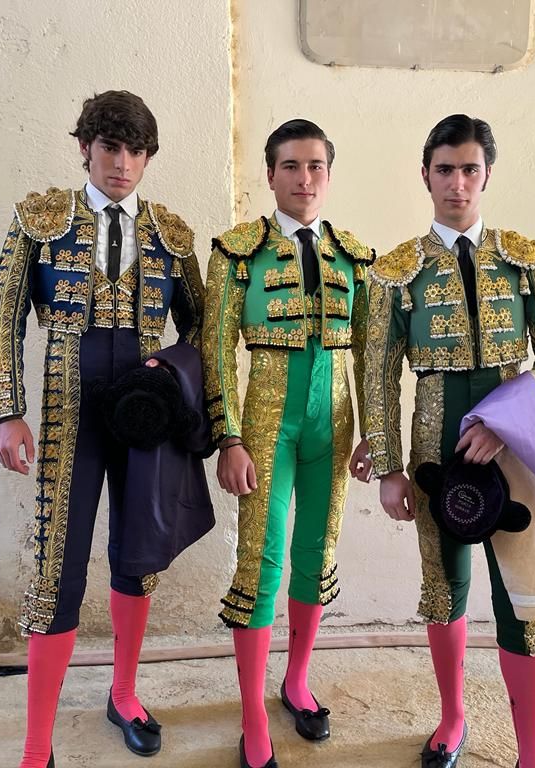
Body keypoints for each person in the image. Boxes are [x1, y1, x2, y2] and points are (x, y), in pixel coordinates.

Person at [0, 90, 213, 767]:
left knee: (137, 554)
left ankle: (124, 693)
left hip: (144, 415)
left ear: (148, 158)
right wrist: (6, 410)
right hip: (65, 409)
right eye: (111, 147)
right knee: (56, 567)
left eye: (136, 151)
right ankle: (36, 745)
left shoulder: (172, 234)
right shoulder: (41, 219)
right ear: (86, 147)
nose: (123, 162)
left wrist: (172, 376)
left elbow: (201, 325)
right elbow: (3, 316)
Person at [364, 114, 535, 768]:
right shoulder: (394, 271)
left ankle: (531, 753)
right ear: (425, 174)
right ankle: (453, 721)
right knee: (444, 586)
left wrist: (506, 420)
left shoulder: (525, 258)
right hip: (435, 437)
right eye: (445, 170)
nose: (457, 183)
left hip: (515, 442)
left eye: (470, 170)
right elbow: (376, 371)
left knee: (524, 594)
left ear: (487, 174)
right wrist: (389, 468)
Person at [202, 119, 373, 768]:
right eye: (292, 167)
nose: (305, 180)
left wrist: (376, 439)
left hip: (334, 426)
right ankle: (252, 715)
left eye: (317, 167)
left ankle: (296, 680)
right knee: (261, 561)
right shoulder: (238, 250)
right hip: (267, 425)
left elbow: (371, 355)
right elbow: (215, 348)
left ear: (329, 174)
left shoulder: (355, 255)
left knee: (316, 550)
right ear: (270, 174)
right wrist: (229, 437)